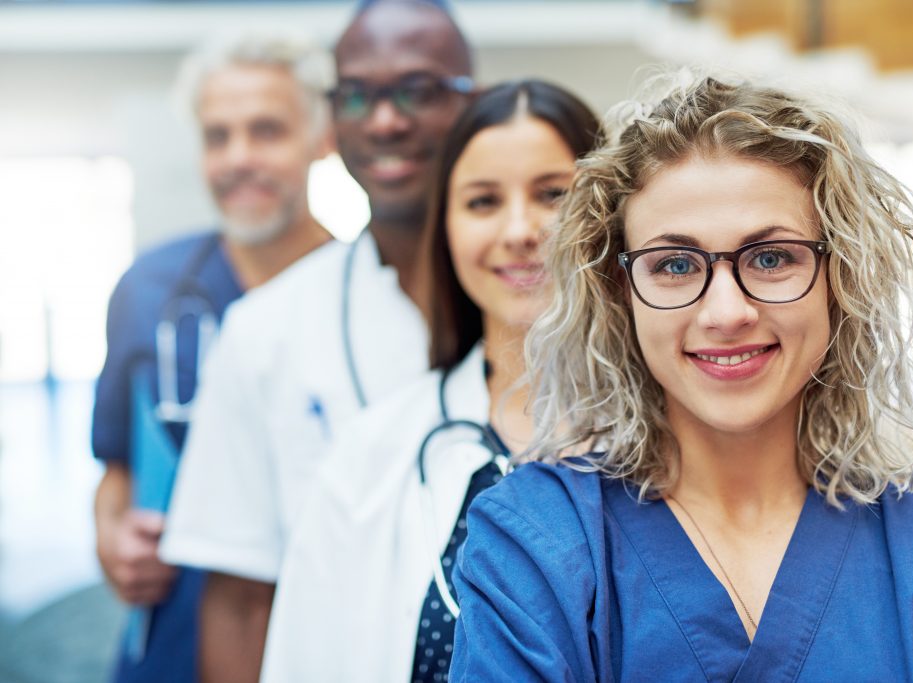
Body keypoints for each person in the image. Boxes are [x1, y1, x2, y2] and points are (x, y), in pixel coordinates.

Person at [450, 74, 913, 680]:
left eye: (772, 257)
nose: (727, 313)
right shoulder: (535, 546)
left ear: (840, 278)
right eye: (674, 264)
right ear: (622, 293)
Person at [158, 1, 475, 680]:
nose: (386, 119)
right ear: (334, 119)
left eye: (418, 90)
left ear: (472, 104)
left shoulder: (555, 314)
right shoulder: (265, 329)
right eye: (358, 95)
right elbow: (241, 600)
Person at [258, 80, 601, 683]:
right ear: (444, 229)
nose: (520, 229)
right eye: (482, 201)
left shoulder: (674, 441)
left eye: (552, 194)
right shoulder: (369, 454)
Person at [91, 29, 335, 683]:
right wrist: (112, 540)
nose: (238, 157)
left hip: (316, 640)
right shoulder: (150, 288)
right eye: (217, 136)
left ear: (323, 137)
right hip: (171, 637)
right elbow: (115, 470)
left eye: (266, 131)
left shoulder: (366, 296)